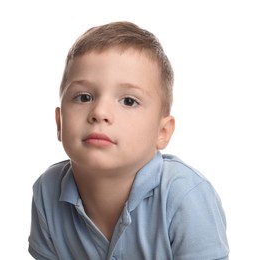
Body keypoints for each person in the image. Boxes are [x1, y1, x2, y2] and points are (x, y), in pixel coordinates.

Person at [28, 21, 229, 260]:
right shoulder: (47, 190)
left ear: (162, 132)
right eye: (84, 97)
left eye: (128, 101)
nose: (100, 112)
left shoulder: (184, 194)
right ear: (60, 124)